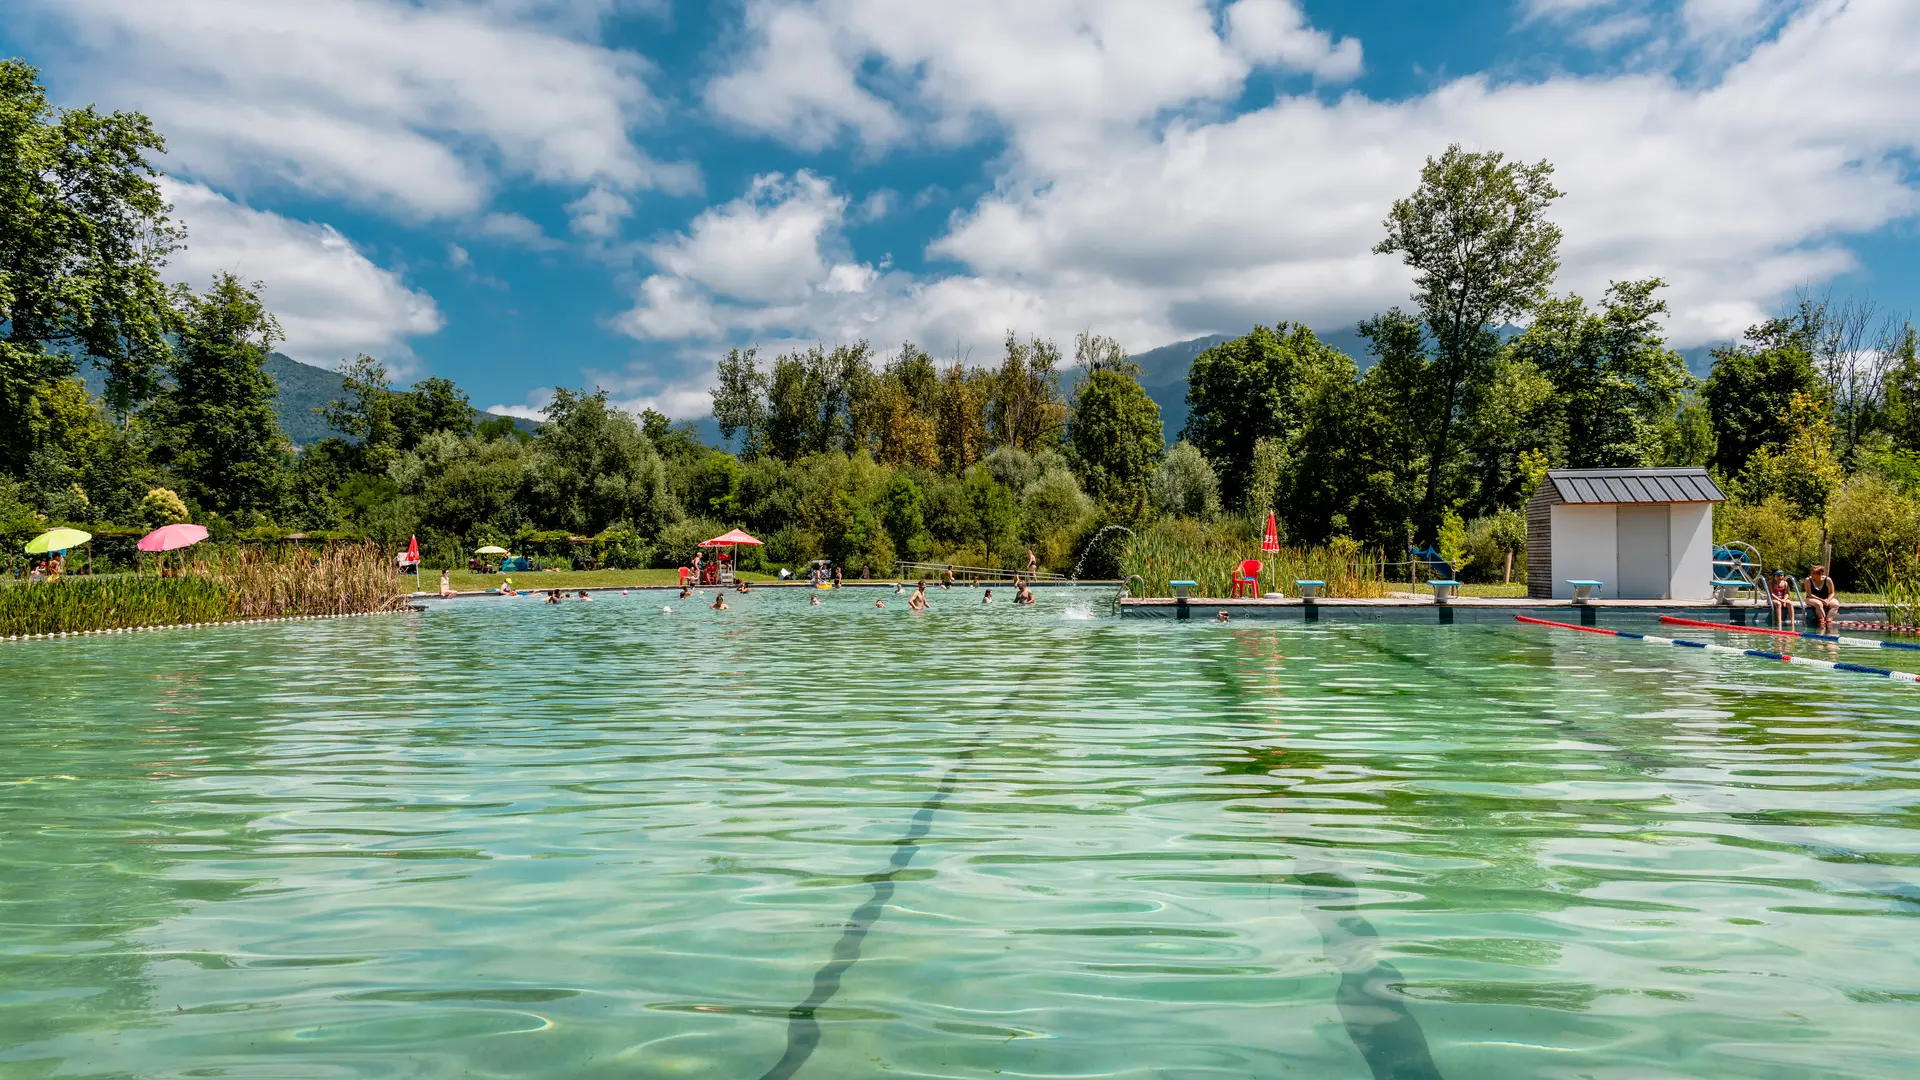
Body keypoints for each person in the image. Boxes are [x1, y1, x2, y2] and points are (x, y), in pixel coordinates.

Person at [1805, 565, 1839, 629]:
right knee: (1818, 603)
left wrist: (1828, 600)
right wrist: (1822, 600)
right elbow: (1809, 594)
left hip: (1826, 598)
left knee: (1835, 604)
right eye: (1811, 573)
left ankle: (1828, 621)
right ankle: (1822, 620)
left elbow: (1832, 593)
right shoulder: (1808, 580)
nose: (1811, 575)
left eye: (1814, 573)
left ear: (1820, 574)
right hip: (1811, 598)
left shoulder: (1827, 580)